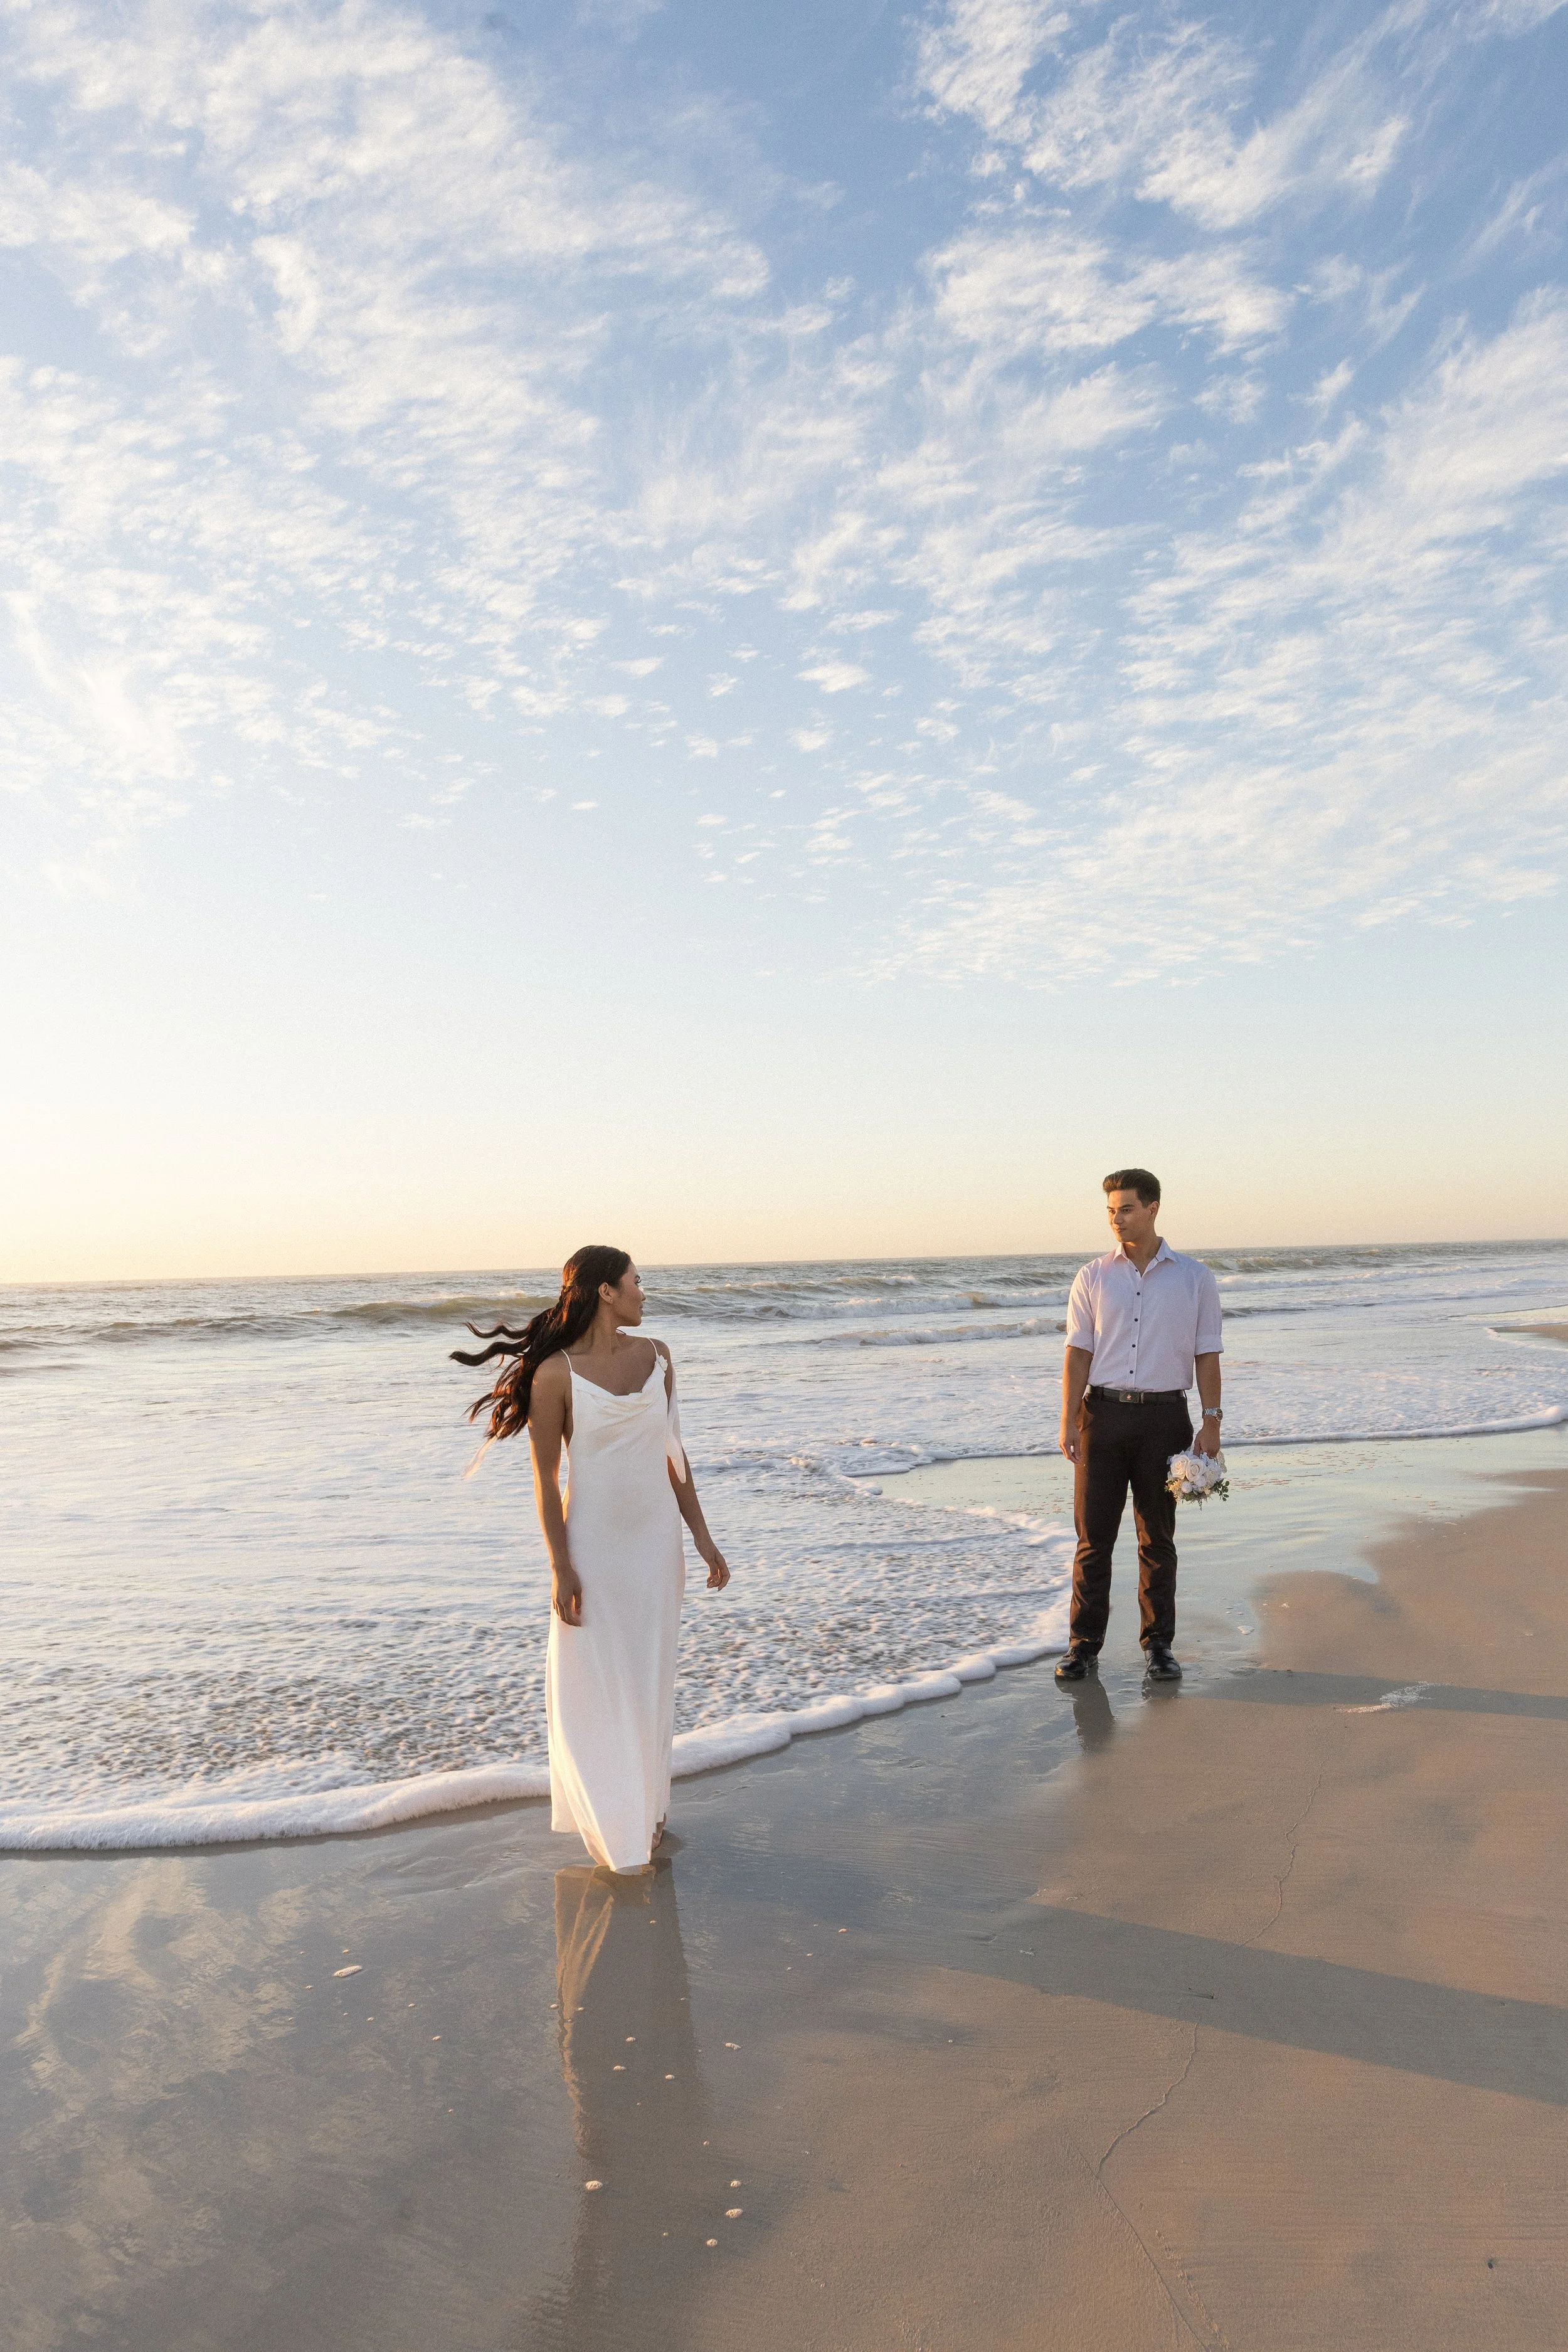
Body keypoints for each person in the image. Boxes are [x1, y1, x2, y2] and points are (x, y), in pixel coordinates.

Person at [452, 1246, 730, 1871]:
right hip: (595, 1551)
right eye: (636, 1281)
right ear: (606, 1291)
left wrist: (702, 1537)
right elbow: (546, 1482)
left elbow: (674, 1459)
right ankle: (615, 1819)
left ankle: (650, 1811)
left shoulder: (658, 1357)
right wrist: (561, 1566)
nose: (642, 1291)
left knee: (650, 1677)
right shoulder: (554, 1374)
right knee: (595, 1685)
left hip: (656, 1545)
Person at [1056, 1170, 1222, 1686]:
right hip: (1101, 1417)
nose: (1116, 1219)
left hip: (1164, 1419)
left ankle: (1159, 1648)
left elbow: (1207, 1354)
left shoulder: (1195, 1278)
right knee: (1093, 1539)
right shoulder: (1093, 1276)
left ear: (1152, 1208)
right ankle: (1083, 1648)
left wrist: (1211, 1422)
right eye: (1110, 1210)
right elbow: (1078, 1352)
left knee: (1157, 1539)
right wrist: (1068, 1419)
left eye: (1125, 1209)